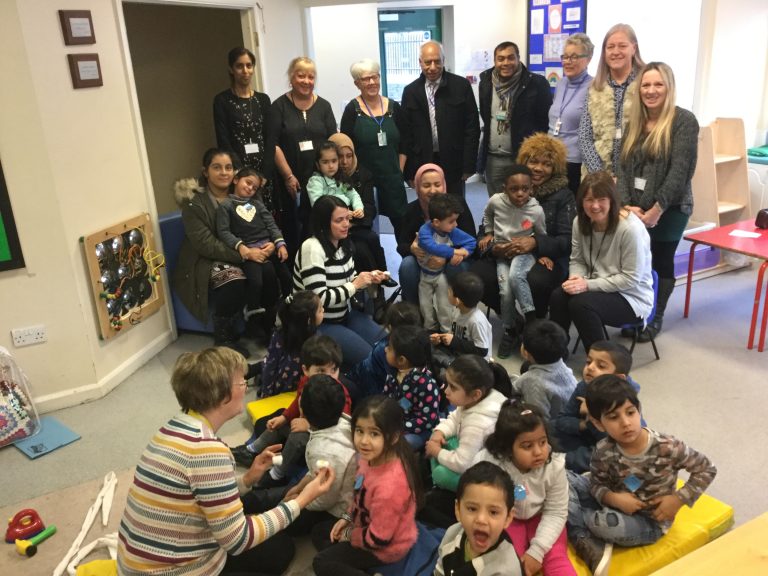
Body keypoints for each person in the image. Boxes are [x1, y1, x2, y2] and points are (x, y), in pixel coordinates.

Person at [116, 347, 334, 576]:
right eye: (242, 383)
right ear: (223, 395)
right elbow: (237, 540)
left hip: (135, 562)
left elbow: (203, 494)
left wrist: (248, 478)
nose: (245, 387)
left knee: (277, 548)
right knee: (277, 551)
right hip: (171, 570)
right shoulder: (207, 451)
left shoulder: (174, 428)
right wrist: (301, 501)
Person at [567, 375, 717, 575]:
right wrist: (613, 498)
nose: (626, 423)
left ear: (639, 410)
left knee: (605, 524)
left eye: (630, 412)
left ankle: (577, 525)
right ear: (598, 423)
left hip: (649, 520)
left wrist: (677, 499)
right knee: (562, 477)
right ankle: (580, 530)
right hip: (613, 500)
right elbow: (596, 484)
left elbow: (707, 469)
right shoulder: (603, 450)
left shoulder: (667, 447)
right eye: (613, 417)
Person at [617, 62, 699, 341]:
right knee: (637, 261)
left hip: (670, 208)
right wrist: (627, 204)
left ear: (669, 88)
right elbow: (622, 167)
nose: (651, 91)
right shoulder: (633, 123)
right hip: (635, 208)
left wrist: (657, 209)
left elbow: (681, 171)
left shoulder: (683, 121)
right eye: (646, 85)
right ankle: (637, 312)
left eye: (658, 84)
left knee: (661, 261)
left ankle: (656, 316)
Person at [471, 134, 575, 322]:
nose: (538, 168)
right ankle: (511, 319)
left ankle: (535, 321)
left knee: (536, 280)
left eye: (546, 164)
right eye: (533, 161)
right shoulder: (507, 191)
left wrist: (536, 243)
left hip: (546, 257)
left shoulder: (563, 196)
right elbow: (484, 228)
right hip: (503, 252)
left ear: (555, 168)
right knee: (476, 276)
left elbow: (567, 241)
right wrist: (492, 247)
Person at [313, 396, 421, 576]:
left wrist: (349, 536)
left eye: (374, 433)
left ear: (393, 437)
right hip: (363, 525)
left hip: (385, 547)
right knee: (320, 532)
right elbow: (359, 493)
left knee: (321, 562)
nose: (364, 441)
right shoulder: (370, 457)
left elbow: (379, 539)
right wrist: (347, 517)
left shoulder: (390, 488)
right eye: (359, 431)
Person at [548, 171, 653, 352]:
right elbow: (577, 259)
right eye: (589, 200)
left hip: (631, 296)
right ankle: (555, 354)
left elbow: (630, 279)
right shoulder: (579, 222)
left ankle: (602, 364)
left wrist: (586, 285)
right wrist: (575, 280)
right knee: (559, 295)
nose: (595, 206)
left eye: (601, 199)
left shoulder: (630, 229)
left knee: (580, 304)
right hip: (594, 285)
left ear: (612, 200)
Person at [473, 400, 574, 576]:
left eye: (543, 442)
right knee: (505, 561)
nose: (538, 452)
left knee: (556, 559)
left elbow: (556, 511)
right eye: (527, 446)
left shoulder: (554, 465)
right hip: (508, 517)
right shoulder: (490, 464)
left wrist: (537, 551)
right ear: (507, 449)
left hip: (543, 516)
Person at [231, 335, 350, 479]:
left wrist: (309, 426)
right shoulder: (307, 382)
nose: (329, 376)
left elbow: (337, 430)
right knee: (278, 420)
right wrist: (284, 417)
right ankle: (252, 450)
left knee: (297, 437)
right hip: (305, 423)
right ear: (305, 370)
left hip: (319, 437)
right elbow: (298, 400)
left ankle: (277, 474)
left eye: (334, 370)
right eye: (321, 370)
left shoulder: (339, 395)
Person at [173, 148, 250, 358]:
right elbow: (205, 244)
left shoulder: (242, 196)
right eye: (217, 167)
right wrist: (243, 254)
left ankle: (259, 327)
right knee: (232, 279)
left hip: (239, 252)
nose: (224, 172)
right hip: (203, 261)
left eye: (228, 167)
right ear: (205, 172)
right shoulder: (194, 203)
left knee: (269, 271)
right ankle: (224, 337)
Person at [293, 196, 386, 366]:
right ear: (323, 223)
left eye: (347, 219)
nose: (346, 224)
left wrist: (369, 279)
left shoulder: (343, 245)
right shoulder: (312, 248)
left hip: (344, 314)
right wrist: (355, 284)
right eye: (339, 220)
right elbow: (318, 299)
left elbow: (350, 283)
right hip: (320, 322)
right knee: (369, 358)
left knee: (387, 344)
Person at [424, 355, 510, 527]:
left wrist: (437, 452)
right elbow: (455, 417)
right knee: (440, 440)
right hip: (472, 452)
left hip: (485, 474)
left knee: (440, 473)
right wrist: (439, 432)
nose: (446, 391)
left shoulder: (478, 424)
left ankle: (437, 487)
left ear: (475, 394)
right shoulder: (484, 396)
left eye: (453, 387)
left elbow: (463, 464)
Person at [477, 165, 546, 358]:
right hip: (502, 255)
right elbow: (487, 214)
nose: (520, 194)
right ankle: (511, 330)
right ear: (504, 188)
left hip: (523, 255)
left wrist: (541, 252)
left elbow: (541, 235)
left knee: (516, 277)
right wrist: (489, 233)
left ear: (531, 188)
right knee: (505, 291)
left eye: (525, 189)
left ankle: (531, 322)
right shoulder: (496, 202)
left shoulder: (536, 210)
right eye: (514, 189)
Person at [270, 57, 337, 254]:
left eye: (311, 76)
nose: (306, 81)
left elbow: (332, 141)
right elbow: (273, 144)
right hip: (291, 182)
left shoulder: (324, 106)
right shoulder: (279, 106)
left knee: (322, 229)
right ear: (291, 77)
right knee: (294, 231)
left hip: (322, 180)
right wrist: (288, 176)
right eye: (301, 76)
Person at [216, 167, 290, 343]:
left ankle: (284, 318)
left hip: (267, 248)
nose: (250, 188)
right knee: (257, 282)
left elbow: (271, 225)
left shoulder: (257, 204)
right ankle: (253, 319)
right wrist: (242, 247)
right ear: (236, 180)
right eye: (248, 182)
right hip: (250, 252)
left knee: (286, 277)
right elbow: (224, 231)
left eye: (254, 187)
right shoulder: (226, 206)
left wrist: (279, 244)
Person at [401, 40, 480, 197]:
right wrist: (408, 173)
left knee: (455, 206)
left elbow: (472, 128)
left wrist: (468, 166)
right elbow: (406, 135)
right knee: (427, 206)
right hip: (422, 160)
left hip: (454, 160)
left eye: (437, 61)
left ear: (444, 61)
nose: (432, 67)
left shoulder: (461, 86)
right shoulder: (410, 91)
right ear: (420, 62)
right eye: (427, 62)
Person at [340, 59, 408, 237]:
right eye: (365, 79)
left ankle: (405, 262)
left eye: (375, 77)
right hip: (364, 182)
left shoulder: (394, 107)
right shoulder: (352, 110)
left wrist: (399, 171)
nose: (371, 82)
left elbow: (405, 143)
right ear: (357, 83)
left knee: (403, 227)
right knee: (366, 228)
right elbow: (345, 148)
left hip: (392, 179)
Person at [282, 375, 357, 537]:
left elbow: (326, 499)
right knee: (287, 493)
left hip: (338, 508)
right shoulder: (342, 420)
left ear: (304, 411)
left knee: (286, 519)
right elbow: (317, 474)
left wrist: (300, 500)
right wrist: (298, 488)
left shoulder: (323, 451)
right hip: (330, 485)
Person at [554, 341, 641, 473]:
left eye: (601, 366)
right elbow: (562, 419)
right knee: (546, 428)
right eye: (589, 362)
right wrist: (585, 424)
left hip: (610, 447)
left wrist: (592, 415)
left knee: (571, 460)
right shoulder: (585, 386)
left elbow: (613, 445)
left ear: (618, 378)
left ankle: (557, 461)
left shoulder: (626, 403)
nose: (590, 368)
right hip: (586, 433)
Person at [479, 41, 552, 196]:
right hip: (493, 159)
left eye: (511, 58)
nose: (506, 63)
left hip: (522, 158)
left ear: (519, 58)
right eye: (501, 58)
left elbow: (544, 123)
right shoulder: (486, 82)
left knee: (522, 201)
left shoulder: (536, 84)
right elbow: (487, 117)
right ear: (495, 61)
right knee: (496, 203)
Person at [397, 163, 476, 304]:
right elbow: (401, 245)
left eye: (437, 184)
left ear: (444, 185)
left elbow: (471, 241)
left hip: (454, 260)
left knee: (456, 265)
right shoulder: (410, 210)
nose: (433, 190)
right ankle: (414, 311)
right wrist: (412, 248)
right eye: (426, 186)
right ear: (417, 188)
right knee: (407, 265)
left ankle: (456, 311)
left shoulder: (458, 204)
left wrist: (445, 256)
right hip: (424, 262)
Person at [579, 24, 645, 177]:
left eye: (622, 46)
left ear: (633, 48)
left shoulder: (646, 84)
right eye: (610, 47)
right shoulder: (594, 88)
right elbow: (584, 136)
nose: (616, 52)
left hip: (635, 175)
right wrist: (602, 176)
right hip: (597, 178)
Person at [213, 47, 275, 208]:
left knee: (268, 219)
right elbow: (223, 140)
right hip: (238, 174)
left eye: (249, 65)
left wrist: (264, 175)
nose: (245, 70)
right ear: (231, 69)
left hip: (264, 174)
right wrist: (241, 174)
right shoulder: (222, 101)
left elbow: (271, 138)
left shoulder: (263, 100)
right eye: (239, 66)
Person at [435, 462, 522, 576]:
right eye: (472, 509)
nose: (481, 519)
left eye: (493, 512)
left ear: (508, 518)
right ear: (458, 510)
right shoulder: (452, 535)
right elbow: (439, 571)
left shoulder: (507, 569)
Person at [418, 194, 477, 331]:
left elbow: (471, 242)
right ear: (437, 222)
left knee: (445, 306)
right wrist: (453, 252)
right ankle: (430, 330)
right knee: (425, 306)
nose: (455, 224)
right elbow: (431, 247)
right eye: (451, 221)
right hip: (425, 276)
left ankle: (447, 332)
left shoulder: (451, 231)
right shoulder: (425, 231)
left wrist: (464, 253)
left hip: (441, 276)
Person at [548, 34, 594, 194]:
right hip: (551, 158)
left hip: (574, 162)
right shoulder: (561, 83)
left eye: (574, 57)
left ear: (588, 59)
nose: (567, 61)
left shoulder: (595, 87)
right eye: (565, 56)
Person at [347, 301, 422, 399]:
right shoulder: (384, 349)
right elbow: (394, 386)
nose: (387, 350)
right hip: (369, 385)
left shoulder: (418, 342)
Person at [382, 325, 441, 449]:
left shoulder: (427, 384)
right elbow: (386, 398)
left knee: (398, 445)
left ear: (402, 360)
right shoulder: (393, 372)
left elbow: (427, 420)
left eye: (390, 348)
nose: (385, 349)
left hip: (419, 430)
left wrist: (399, 427)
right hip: (397, 421)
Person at [257, 290, 321, 399]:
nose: (324, 311)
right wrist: (266, 392)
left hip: (300, 389)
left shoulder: (316, 336)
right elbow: (270, 365)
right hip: (281, 388)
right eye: (320, 310)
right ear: (309, 320)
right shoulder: (281, 335)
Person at [514, 320, 578, 420]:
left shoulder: (532, 382)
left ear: (526, 353)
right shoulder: (560, 363)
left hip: (554, 426)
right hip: (568, 411)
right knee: (525, 367)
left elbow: (539, 419)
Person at [431, 271, 494, 361]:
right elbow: (454, 334)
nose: (447, 294)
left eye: (449, 292)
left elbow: (482, 350)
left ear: (457, 300)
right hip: (460, 354)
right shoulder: (458, 310)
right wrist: (441, 339)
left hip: (476, 363)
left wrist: (454, 341)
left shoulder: (476, 321)